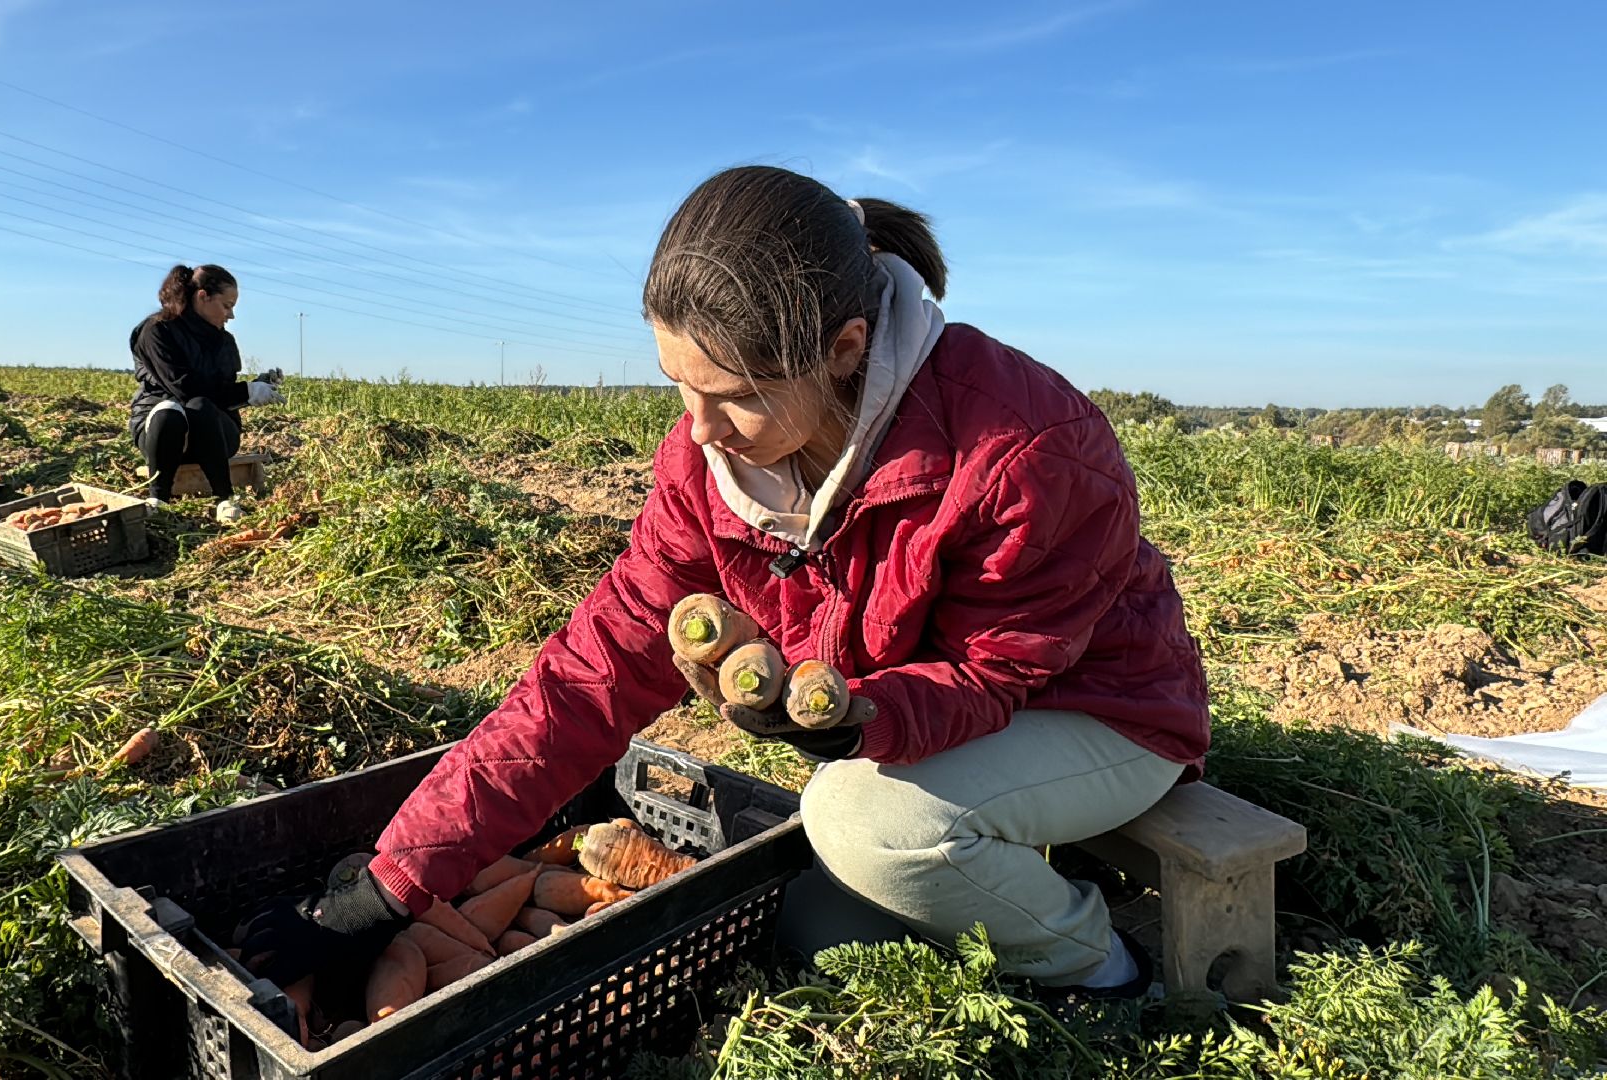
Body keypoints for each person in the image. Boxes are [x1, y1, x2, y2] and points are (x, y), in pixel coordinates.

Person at [234, 166, 1211, 1013]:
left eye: (735, 394)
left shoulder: (1026, 449)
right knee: (807, 921)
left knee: (864, 824)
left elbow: (1003, 673)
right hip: (911, 731)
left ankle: (1103, 966)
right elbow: (584, 680)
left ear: (844, 347)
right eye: (678, 386)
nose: (699, 430)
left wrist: (860, 715)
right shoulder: (709, 470)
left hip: (1094, 709)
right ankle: (978, 884)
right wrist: (392, 885)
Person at [128, 263, 284, 523]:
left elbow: (219, 392)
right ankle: (158, 500)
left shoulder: (224, 341)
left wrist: (257, 385)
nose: (231, 315)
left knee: (202, 407)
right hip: (162, 435)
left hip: (216, 435)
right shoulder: (157, 331)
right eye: (227, 305)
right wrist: (245, 392)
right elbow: (184, 388)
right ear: (203, 297)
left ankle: (225, 499)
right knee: (173, 410)